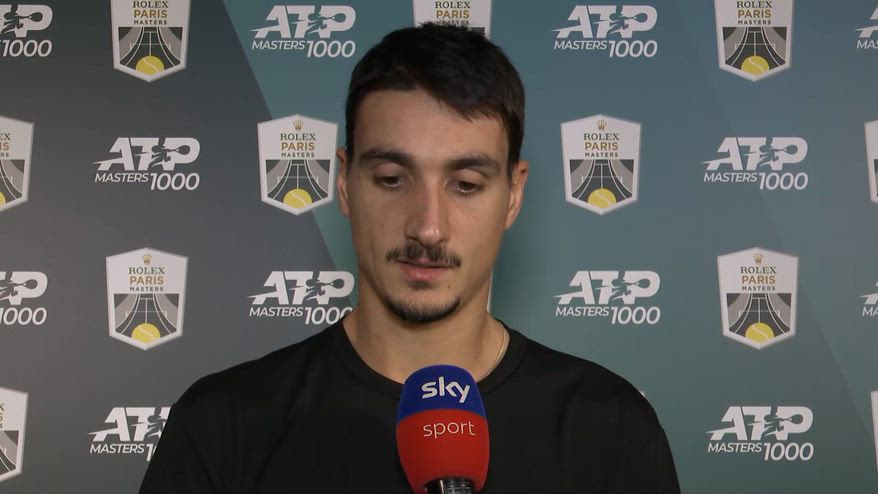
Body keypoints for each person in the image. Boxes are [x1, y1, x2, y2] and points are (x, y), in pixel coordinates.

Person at [140, 23, 680, 493]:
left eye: (466, 185)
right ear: (345, 184)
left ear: (514, 194)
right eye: (392, 179)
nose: (428, 227)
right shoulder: (223, 423)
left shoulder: (609, 426)